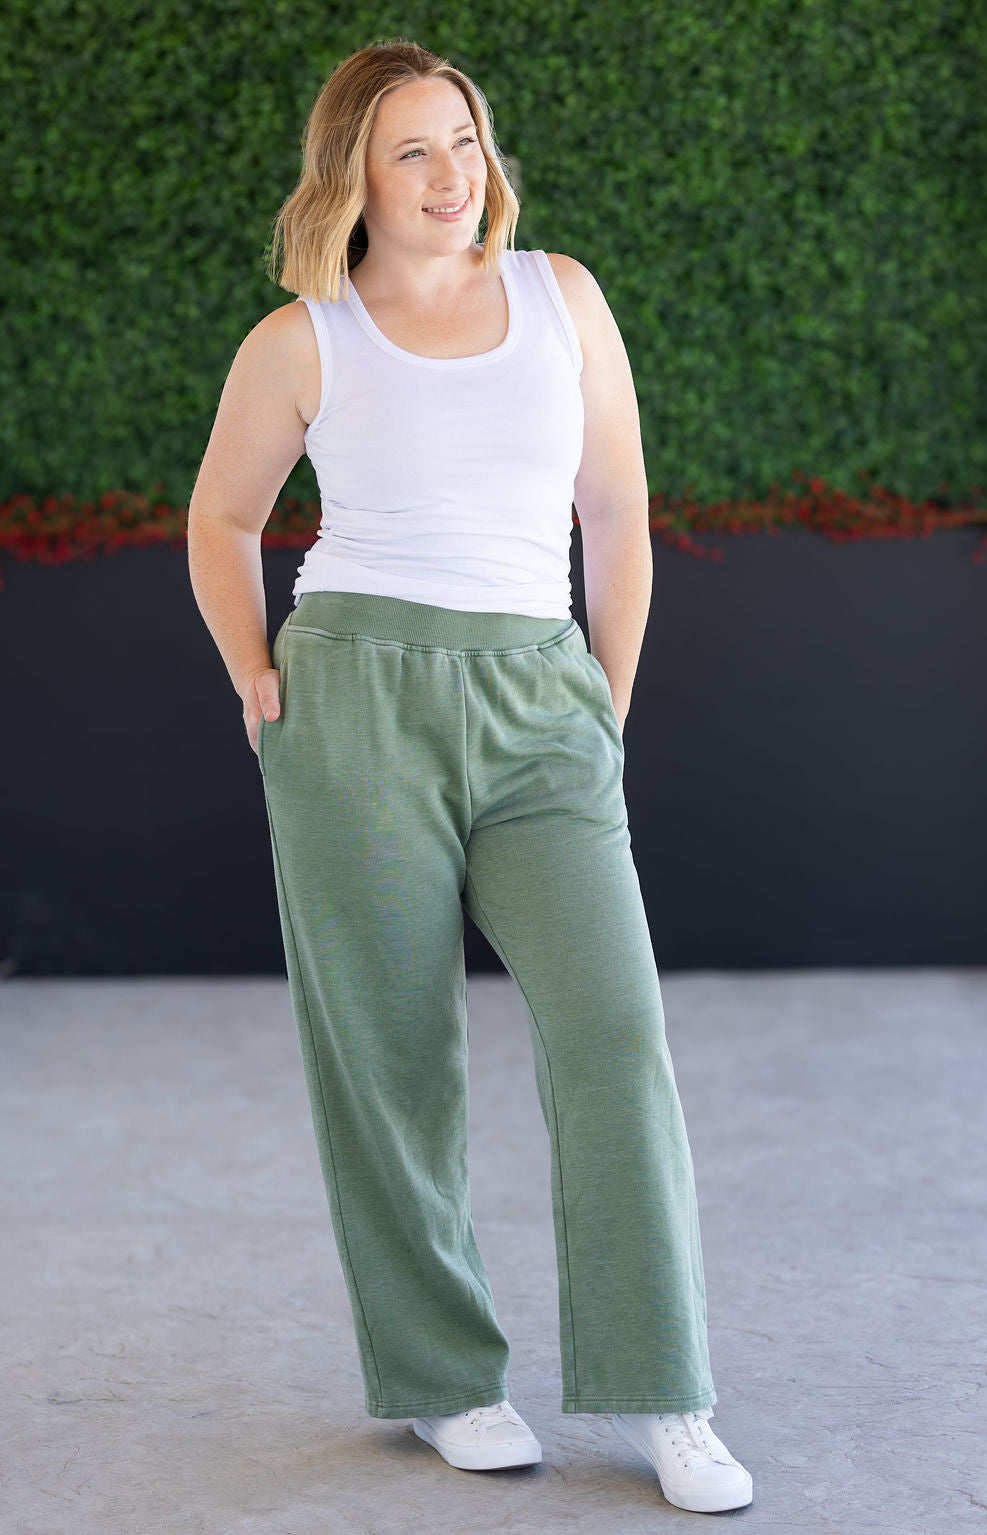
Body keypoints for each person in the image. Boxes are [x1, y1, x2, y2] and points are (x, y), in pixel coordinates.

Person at [187, 37, 753, 1517]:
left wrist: (603, 701)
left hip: (538, 694)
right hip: (356, 700)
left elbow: (617, 512)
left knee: (614, 1034)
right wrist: (254, 670)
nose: (452, 175)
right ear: (354, 178)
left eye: (464, 141)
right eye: (412, 151)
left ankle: (665, 1387)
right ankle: (444, 1376)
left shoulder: (563, 299)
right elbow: (222, 516)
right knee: (390, 1056)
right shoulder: (304, 339)